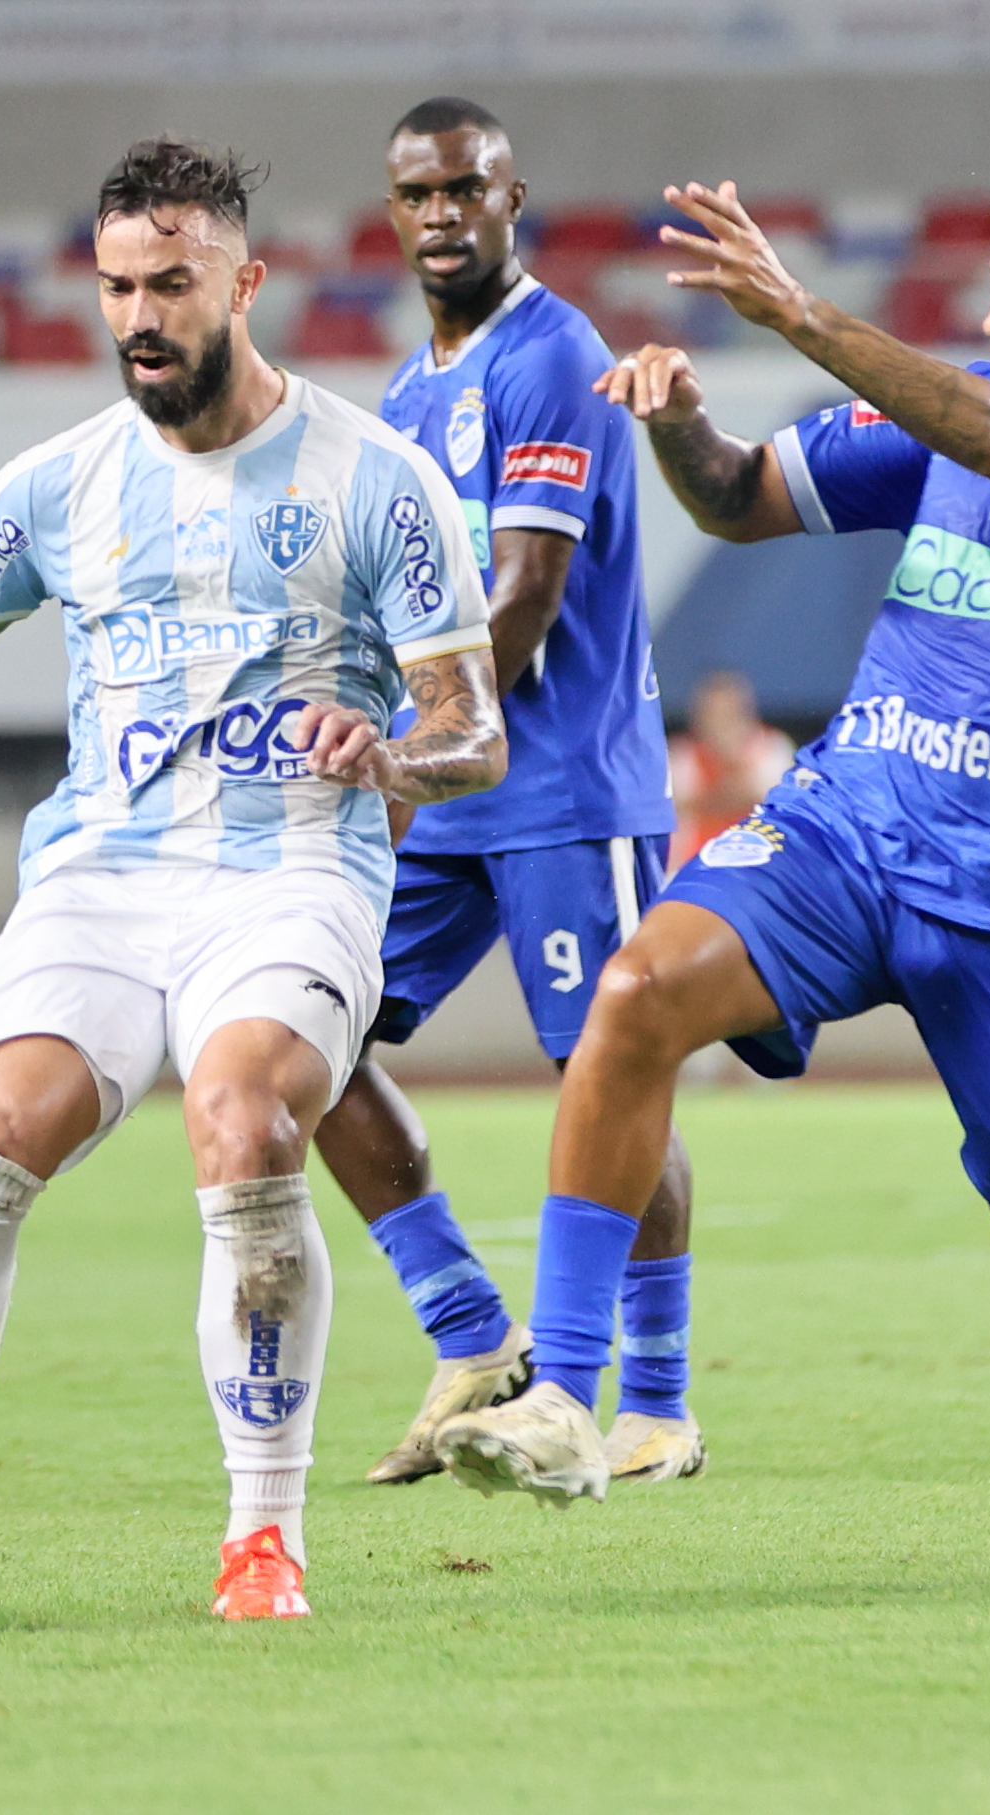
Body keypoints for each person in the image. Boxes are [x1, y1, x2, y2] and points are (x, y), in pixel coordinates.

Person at [436, 155, 990, 1584]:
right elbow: (736, 501)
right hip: (847, 827)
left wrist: (800, 314)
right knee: (636, 992)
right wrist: (683, 423)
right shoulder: (941, 408)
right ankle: (569, 1396)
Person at [0, 138, 502, 1623]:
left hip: (293, 872)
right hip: (102, 873)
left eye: (173, 282)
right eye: (119, 283)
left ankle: (263, 1538)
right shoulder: (59, 485)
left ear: (245, 281)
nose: (141, 311)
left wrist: (389, 756)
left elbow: (471, 725)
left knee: (243, 1110)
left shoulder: (377, 483)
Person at [307, 97, 702, 1487]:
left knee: (610, 1068)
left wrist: (406, 767)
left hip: (559, 793)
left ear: (510, 195)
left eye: (464, 189)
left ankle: (651, 1396)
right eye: (415, 193)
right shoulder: (413, 394)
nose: (439, 215)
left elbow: (522, 602)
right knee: (305, 1029)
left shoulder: (552, 358)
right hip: (451, 793)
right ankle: (472, 1331)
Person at [670, 670, 794, 871]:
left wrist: (732, 760)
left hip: (759, 865)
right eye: (713, 713)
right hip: (691, 867)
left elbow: (774, 802)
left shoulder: (772, 748)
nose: (721, 722)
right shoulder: (682, 755)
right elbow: (677, 807)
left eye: (728, 713)